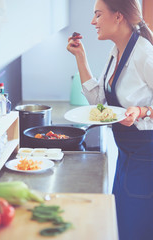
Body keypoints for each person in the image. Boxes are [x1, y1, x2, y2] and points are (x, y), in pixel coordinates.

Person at [67, 0, 153, 240]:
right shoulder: (117, 51)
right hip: (127, 154)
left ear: (118, 16)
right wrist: (81, 57)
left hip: (146, 157)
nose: (93, 22)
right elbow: (100, 104)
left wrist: (143, 111)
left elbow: (142, 109)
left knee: (134, 230)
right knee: (123, 225)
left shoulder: (145, 54)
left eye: (98, 15)